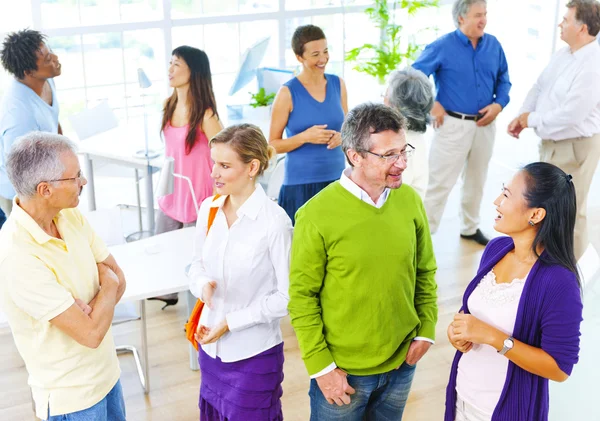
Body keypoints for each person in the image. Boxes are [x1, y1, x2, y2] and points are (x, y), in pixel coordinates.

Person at [289, 103, 438, 420]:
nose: (401, 163)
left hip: (401, 365)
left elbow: (425, 271)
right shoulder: (315, 216)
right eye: (388, 155)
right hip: (342, 374)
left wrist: (426, 329)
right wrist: (322, 367)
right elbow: (302, 298)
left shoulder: (409, 200)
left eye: (403, 151)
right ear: (355, 155)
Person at [0, 132, 127, 421]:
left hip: (108, 376)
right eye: (76, 177)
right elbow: (92, 334)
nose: (82, 182)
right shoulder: (17, 255)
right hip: (71, 401)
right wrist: (107, 285)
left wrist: (97, 301)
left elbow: (119, 276)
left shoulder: (69, 215)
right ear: (45, 189)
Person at [445, 162, 583, 421]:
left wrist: (493, 337)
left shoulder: (559, 282)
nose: (497, 201)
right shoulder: (496, 248)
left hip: (502, 411)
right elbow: (475, 310)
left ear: (536, 215)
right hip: (460, 397)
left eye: (506, 195)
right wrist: (458, 332)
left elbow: (559, 368)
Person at [189, 124, 293, 421]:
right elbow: (195, 264)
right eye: (214, 164)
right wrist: (202, 284)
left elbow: (286, 297)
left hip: (254, 356)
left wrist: (231, 322)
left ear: (252, 167)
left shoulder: (274, 223)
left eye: (224, 165)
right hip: (210, 351)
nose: (214, 174)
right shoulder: (208, 209)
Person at [412, 0, 511, 245]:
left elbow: (504, 80)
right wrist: (431, 103)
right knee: (439, 184)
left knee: (476, 181)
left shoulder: (494, 45)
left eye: (485, 14)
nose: (483, 19)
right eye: (478, 15)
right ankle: (420, 239)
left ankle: (469, 227)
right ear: (461, 19)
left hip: (485, 126)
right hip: (452, 126)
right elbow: (414, 75)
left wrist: (499, 104)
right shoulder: (442, 46)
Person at [507, 0, 600, 261]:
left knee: (572, 212)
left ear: (582, 28)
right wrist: (521, 116)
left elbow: (573, 114)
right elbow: (539, 86)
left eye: (566, 20)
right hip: (551, 144)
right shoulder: (564, 53)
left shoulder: (593, 64)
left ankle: (574, 277)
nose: (561, 23)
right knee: (545, 207)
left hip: (576, 146)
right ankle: (546, 267)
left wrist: (531, 119)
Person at [153, 45, 223, 308]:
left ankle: (204, 305)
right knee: (164, 246)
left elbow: (225, 151)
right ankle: (168, 293)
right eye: (170, 64)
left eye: (176, 65)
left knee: (199, 257)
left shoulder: (205, 114)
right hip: (173, 188)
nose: (170, 70)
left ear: (193, 72)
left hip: (199, 193)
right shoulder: (167, 106)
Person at [269, 24, 348, 224]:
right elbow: (272, 145)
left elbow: (350, 129)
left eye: (325, 51)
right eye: (315, 54)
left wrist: (343, 136)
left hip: (338, 181)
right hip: (300, 185)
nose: (323, 59)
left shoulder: (338, 84)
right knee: (303, 249)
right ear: (299, 57)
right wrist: (305, 137)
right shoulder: (287, 93)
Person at [0, 29, 62, 220]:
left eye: (49, 51)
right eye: (46, 59)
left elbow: (53, 120)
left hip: (45, 178)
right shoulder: (20, 115)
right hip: (21, 192)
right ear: (28, 72)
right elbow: (19, 171)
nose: (54, 58)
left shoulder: (46, 80)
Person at [384, 67, 435, 198]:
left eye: (386, 95)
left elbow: (392, 192)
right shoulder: (413, 135)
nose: (383, 100)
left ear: (398, 105)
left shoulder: (403, 142)